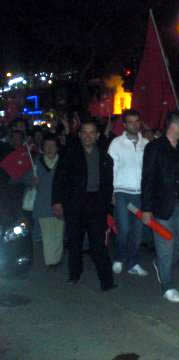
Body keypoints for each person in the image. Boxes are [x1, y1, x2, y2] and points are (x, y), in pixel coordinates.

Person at [52, 120, 116, 291]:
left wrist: (108, 207)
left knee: (98, 244)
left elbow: (109, 184)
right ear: (80, 135)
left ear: (97, 135)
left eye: (91, 132)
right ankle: (74, 274)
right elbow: (59, 179)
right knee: (75, 242)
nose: (88, 136)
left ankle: (107, 280)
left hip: (96, 204)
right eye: (84, 132)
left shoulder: (105, 157)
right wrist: (57, 201)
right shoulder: (70, 154)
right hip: (75, 203)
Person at [141, 110, 179, 303]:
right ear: (174, 125)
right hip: (161, 207)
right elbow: (147, 179)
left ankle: (161, 264)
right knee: (166, 246)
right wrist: (146, 209)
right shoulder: (154, 148)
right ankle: (167, 285)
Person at [108, 109, 149, 276]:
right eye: (130, 122)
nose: (134, 124)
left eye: (136, 121)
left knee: (137, 232)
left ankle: (133, 263)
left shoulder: (146, 143)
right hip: (122, 192)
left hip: (140, 194)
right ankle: (119, 258)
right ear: (124, 125)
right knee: (123, 229)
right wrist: (111, 191)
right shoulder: (116, 143)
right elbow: (112, 168)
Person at [28, 135, 64, 268]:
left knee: (59, 233)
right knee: (48, 235)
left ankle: (57, 258)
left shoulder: (63, 162)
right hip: (43, 204)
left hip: (60, 204)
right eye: (47, 145)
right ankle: (51, 261)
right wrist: (32, 181)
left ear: (57, 148)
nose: (49, 148)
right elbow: (26, 180)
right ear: (42, 148)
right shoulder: (36, 163)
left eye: (53, 146)